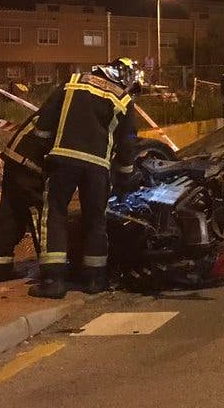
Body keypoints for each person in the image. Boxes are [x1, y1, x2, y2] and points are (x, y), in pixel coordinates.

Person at [30, 59, 142, 298]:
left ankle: (53, 280)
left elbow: (44, 122)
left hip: (63, 159)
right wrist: (125, 175)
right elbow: (127, 144)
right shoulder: (123, 99)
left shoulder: (72, 83)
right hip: (98, 167)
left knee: (56, 215)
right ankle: (95, 279)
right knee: (95, 219)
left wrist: (43, 149)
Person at [0, 110, 54, 282]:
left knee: (12, 213)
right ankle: (50, 270)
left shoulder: (64, 98)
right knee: (40, 214)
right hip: (29, 164)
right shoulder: (77, 104)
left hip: (15, 158)